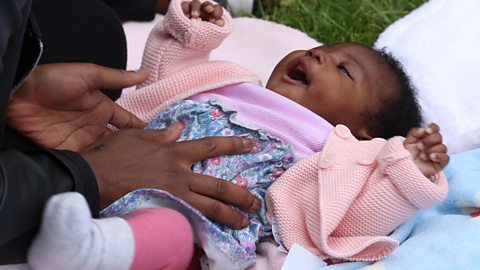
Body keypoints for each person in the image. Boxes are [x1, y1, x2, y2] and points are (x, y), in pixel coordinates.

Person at [20, 0, 448, 269]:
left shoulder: (333, 153)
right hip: (119, 161)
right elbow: (165, 76)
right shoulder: (235, 83)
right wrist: (193, 32)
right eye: (325, 50)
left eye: (342, 69)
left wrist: (405, 170)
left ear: (362, 132)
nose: (318, 53)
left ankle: (91, 252)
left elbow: (358, 212)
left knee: (168, 231)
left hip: (202, 214)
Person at [0, 0, 261, 266]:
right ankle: (84, 249)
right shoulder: (233, 82)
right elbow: (170, 75)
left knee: (95, 30)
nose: (307, 52)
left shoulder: (303, 148)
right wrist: (87, 173)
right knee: (171, 230)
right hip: (126, 189)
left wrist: (16, 95)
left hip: (187, 220)